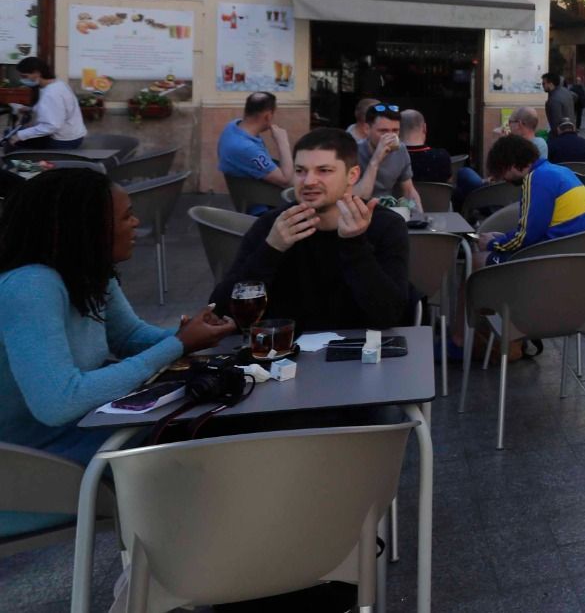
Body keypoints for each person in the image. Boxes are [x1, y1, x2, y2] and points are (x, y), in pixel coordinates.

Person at [0, 170, 235, 536]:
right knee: (205, 448)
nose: (136, 223)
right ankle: (181, 573)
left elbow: (129, 336)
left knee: (218, 424)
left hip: (86, 434)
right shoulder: (31, 286)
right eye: (126, 216)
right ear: (85, 227)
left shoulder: (87, 270)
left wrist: (194, 336)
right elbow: (59, 402)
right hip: (33, 469)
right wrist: (178, 345)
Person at [214, 128, 412, 331]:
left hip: (360, 353)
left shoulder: (385, 225)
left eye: (324, 170)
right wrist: (271, 249)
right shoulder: (275, 225)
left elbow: (389, 315)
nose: (308, 181)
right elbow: (220, 312)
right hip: (283, 353)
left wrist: (354, 244)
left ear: (352, 175)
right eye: (300, 171)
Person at [478, 133, 585, 264]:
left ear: (511, 165)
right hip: (584, 255)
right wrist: (505, 237)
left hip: (556, 261)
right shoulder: (560, 170)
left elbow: (526, 237)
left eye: (502, 173)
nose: (504, 179)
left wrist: (492, 243)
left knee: (478, 259)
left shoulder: (535, 179)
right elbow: (537, 228)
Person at [4, 57, 86, 150]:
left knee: (11, 141)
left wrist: (19, 136)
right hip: (74, 135)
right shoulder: (58, 84)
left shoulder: (51, 93)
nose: (22, 80)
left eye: (25, 76)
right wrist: (28, 109)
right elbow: (54, 109)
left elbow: (51, 126)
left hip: (63, 141)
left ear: (37, 73)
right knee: (12, 133)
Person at [353, 103, 424, 210]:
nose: (391, 136)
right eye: (383, 131)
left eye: (395, 130)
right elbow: (359, 198)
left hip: (387, 210)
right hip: (360, 210)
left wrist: (420, 216)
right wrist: (376, 160)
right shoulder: (354, 151)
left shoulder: (400, 150)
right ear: (367, 129)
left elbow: (409, 190)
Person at [217, 91, 294, 189]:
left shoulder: (233, 125)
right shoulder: (246, 148)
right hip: (263, 198)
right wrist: (283, 142)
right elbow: (286, 180)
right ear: (268, 116)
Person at [399, 108, 453, 185]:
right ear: (425, 128)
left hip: (401, 197)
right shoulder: (442, 156)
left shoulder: (392, 158)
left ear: (397, 129)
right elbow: (448, 188)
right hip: (436, 197)